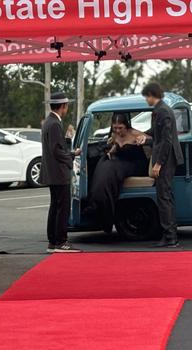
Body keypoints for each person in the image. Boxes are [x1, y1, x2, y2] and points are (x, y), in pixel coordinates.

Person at [84, 113, 149, 233]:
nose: (118, 131)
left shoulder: (134, 133)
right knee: (103, 164)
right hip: (120, 162)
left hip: (136, 163)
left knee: (112, 169)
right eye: (115, 128)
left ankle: (103, 207)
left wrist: (145, 139)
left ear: (126, 126)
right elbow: (115, 148)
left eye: (120, 128)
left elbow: (151, 139)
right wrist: (110, 152)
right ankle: (97, 203)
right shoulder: (114, 135)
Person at [136, 82, 184, 247]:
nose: (146, 100)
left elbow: (166, 141)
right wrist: (144, 137)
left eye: (146, 97)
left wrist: (158, 164)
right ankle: (170, 234)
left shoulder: (162, 111)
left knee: (164, 197)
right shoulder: (161, 110)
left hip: (166, 160)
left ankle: (170, 236)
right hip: (167, 159)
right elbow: (156, 134)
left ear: (151, 95)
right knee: (165, 197)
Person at [41, 92, 82, 253]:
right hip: (58, 172)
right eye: (66, 106)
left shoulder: (48, 122)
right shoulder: (55, 124)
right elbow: (57, 151)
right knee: (62, 207)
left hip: (52, 172)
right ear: (63, 106)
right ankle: (61, 242)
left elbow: (55, 147)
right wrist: (73, 155)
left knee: (55, 206)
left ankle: (53, 241)